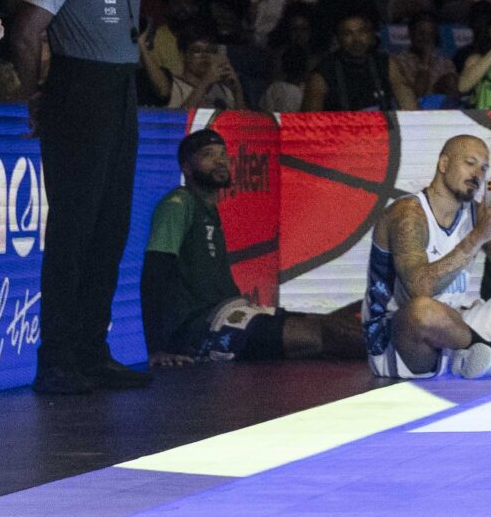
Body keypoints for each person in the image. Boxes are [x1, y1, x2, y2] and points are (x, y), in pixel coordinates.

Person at [11, 0, 151, 395]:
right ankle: (56, 360)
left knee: (110, 228)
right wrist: (35, 95)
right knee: (73, 229)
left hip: (121, 92)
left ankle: (92, 349)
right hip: (79, 90)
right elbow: (27, 31)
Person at [142, 129, 362, 364]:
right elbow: (155, 272)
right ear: (186, 167)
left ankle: (393, 340)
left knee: (328, 323)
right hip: (202, 327)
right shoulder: (178, 204)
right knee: (327, 335)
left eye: (223, 154)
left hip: (230, 310)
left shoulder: (209, 210)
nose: (220, 161)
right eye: (208, 154)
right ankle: (399, 350)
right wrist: (156, 349)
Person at [365, 135, 491, 379]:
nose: (477, 175)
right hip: (400, 338)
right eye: (469, 163)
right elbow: (420, 288)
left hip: (458, 324)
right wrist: (478, 237)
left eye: (483, 168)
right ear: (443, 164)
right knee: (423, 310)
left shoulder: (476, 213)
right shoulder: (408, 214)